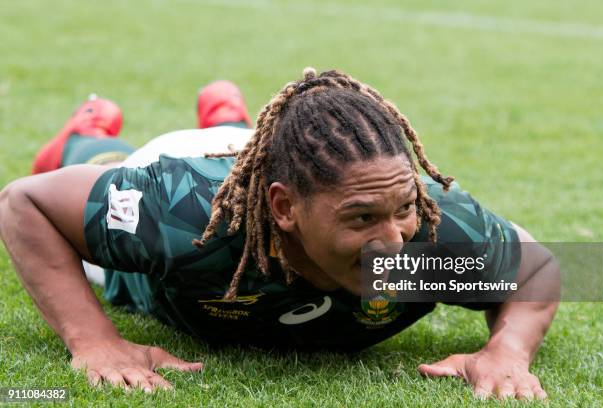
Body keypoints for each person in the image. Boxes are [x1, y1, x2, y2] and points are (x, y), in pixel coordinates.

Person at [0, 69, 558, 400]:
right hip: (195, 163)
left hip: (281, 161)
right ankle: (87, 130)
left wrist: (508, 351)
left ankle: (228, 112)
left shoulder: (425, 242)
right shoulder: (186, 215)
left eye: (403, 209)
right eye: (362, 219)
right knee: (103, 163)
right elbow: (25, 203)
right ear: (284, 209)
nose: (393, 240)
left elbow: (543, 267)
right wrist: (94, 340)